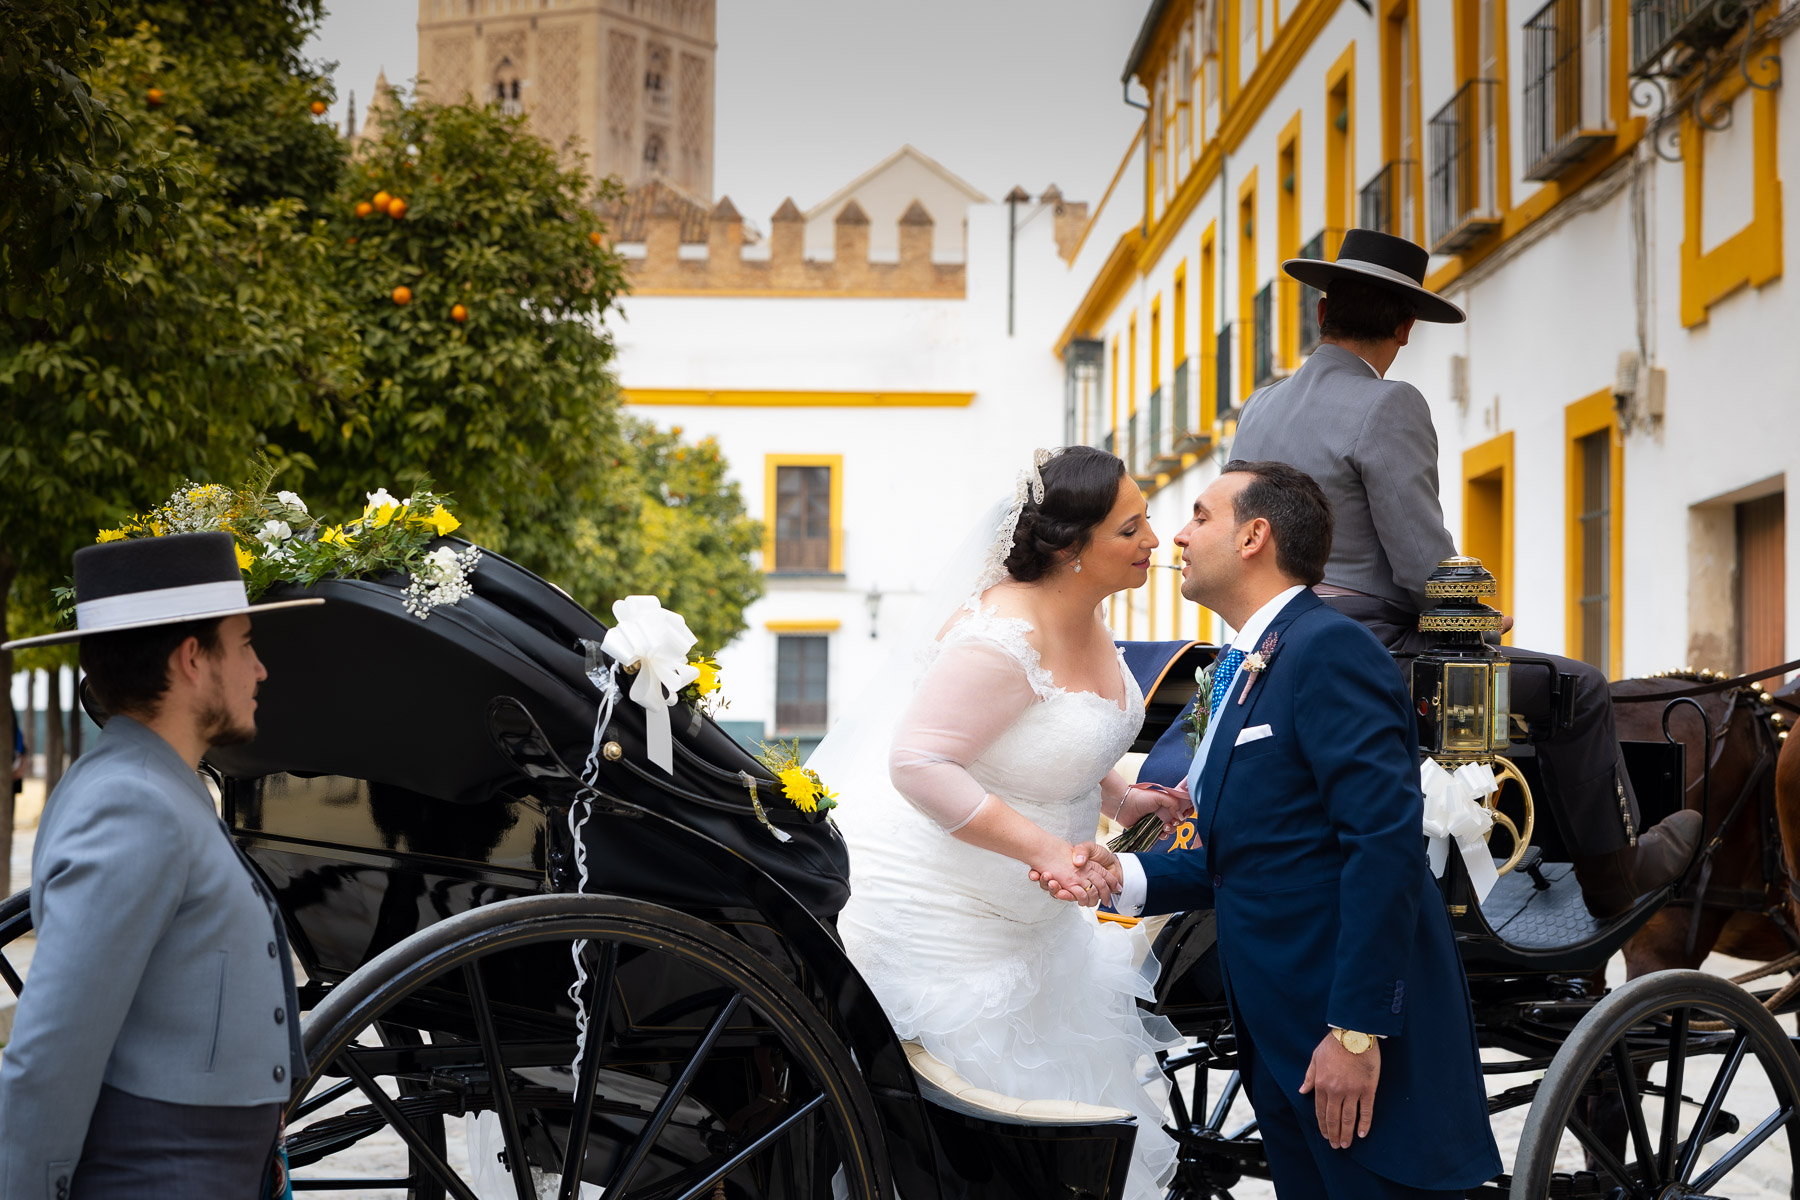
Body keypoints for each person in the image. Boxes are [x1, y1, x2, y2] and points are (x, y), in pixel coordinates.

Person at [1043, 461, 1502, 1199]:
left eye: (1199, 517)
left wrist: (1356, 1031)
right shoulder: (1243, 667)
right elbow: (1248, 858)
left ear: (1255, 535)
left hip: (1347, 1045)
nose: (1178, 538)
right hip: (1280, 1042)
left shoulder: (1329, 650)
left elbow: (1382, 846)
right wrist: (1118, 874)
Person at [1229, 228, 1699, 918]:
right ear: (1406, 327)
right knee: (1582, 690)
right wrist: (1482, 618)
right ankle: (1612, 878)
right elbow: (1425, 565)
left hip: (1267, 649)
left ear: (1323, 312)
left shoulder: (1260, 407)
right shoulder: (1388, 404)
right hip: (1372, 660)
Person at [820, 446, 1191, 1200]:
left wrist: (1121, 800)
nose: (1154, 539)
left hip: (1037, 925)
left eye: (1147, 520)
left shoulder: (1084, 615)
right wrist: (1048, 848)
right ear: (1069, 548)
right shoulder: (1002, 636)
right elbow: (919, 763)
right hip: (946, 926)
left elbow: (1053, 737)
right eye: (1131, 529)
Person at [0, 530, 321, 1198]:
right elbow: (50, 1059)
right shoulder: (131, 803)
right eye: (246, 645)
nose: (259, 671)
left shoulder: (150, 782)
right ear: (192, 660)